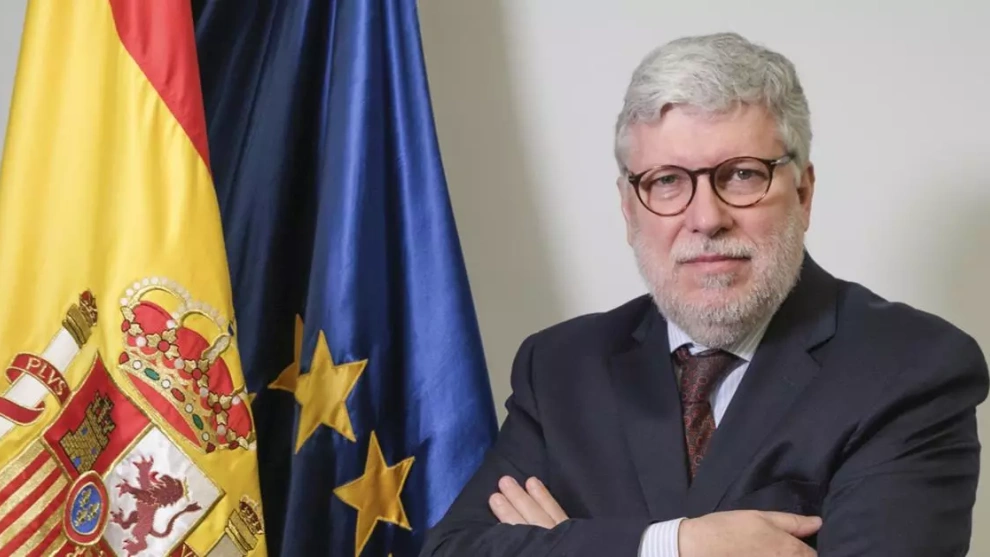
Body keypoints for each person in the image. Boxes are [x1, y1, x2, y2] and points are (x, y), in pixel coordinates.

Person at [419, 32, 988, 557]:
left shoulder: (911, 369)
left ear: (803, 193)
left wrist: (569, 544)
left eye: (741, 174)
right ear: (629, 210)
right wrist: (672, 545)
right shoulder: (561, 367)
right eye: (666, 181)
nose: (707, 218)